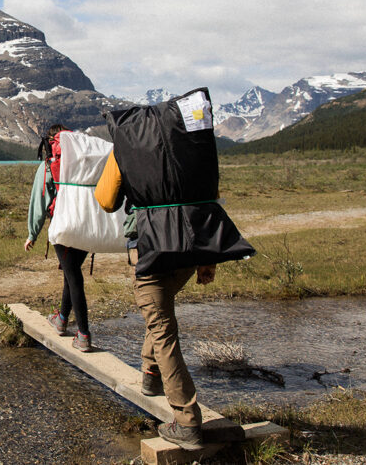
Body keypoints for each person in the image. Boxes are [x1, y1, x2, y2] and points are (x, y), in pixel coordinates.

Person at [95, 88, 254, 451]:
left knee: (163, 330)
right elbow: (205, 194)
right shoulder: (187, 147)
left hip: (149, 254)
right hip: (189, 250)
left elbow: (105, 201)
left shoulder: (127, 150)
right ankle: (149, 373)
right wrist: (207, 259)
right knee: (161, 314)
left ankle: (186, 422)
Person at [25, 124, 92, 352]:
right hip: (88, 227)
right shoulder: (83, 163)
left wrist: (32, 234)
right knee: (70, 272)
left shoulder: (49, 165)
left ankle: (83, 334)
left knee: (73, 276)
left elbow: (39, 201)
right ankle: (62, 319)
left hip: (64, 228)